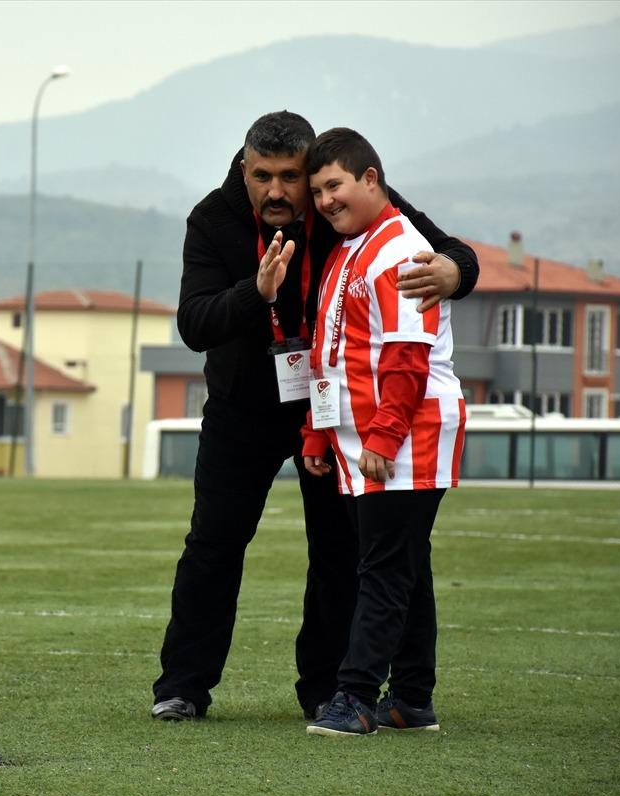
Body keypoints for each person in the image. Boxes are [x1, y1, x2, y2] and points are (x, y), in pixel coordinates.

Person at [150, 111, 478, 723]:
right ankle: (183, 686)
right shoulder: (212, 219)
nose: (278, 191)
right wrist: (257, 292)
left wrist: (458, 273)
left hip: (326, 411)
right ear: (243, 170)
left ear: (313, 175)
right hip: (241, 409)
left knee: (338, 550)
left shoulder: (339, 201)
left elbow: (442, 247)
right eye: (262, 177)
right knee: (213, 545)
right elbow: (194, 324)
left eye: (291, 178)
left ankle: (327, 688)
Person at [300, 127, 466, 736]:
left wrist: (383, 437)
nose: (324, 200)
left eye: (335, 185)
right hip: (366, 441)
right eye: (317, 191)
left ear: (372, 178)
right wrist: (320, 434)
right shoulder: (350, 247)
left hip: (403, 439)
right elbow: (331, 353)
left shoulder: (401, 248)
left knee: (384, 569)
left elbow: (405, 355)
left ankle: (355, 698)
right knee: (405, 565)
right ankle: (412, 699)